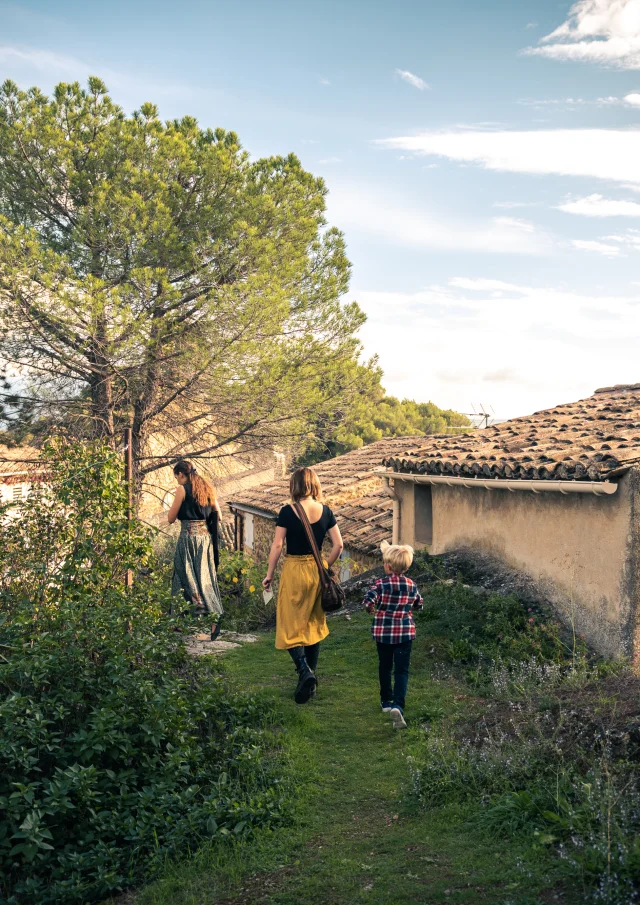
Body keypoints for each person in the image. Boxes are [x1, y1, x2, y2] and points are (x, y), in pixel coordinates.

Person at [262, 467, 343, 704]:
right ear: (314, 485)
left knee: (288, 623)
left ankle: (304, 671)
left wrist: (269, 574)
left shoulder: (287, 512)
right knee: (313, 623)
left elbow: (277, 545)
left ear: (294, 486)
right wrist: (326, 566)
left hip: (295, 570)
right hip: (317, 571)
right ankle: (311, 682)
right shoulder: (326, 511)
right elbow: (339, 545)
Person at [363, 541, 423, 730]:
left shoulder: (381, 584)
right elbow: (419, 604)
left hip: (384, 634)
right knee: (402, 670)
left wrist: (372, 609)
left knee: (385, 666)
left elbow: (367, 602)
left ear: (388, 565)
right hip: (405, 633)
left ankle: (386, 701)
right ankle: (399, 705)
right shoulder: (412, 585)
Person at [167, 459, 224, 634]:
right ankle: (211, 617)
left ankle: (181, 618)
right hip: (205, 540)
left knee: (182, 575)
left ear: (181, 475)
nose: (177, 480)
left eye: (177, 477)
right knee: (206, 577)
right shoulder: (207, 488)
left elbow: (170, 518)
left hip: (188, 538)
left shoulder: (182, 490)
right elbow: (219, 515)